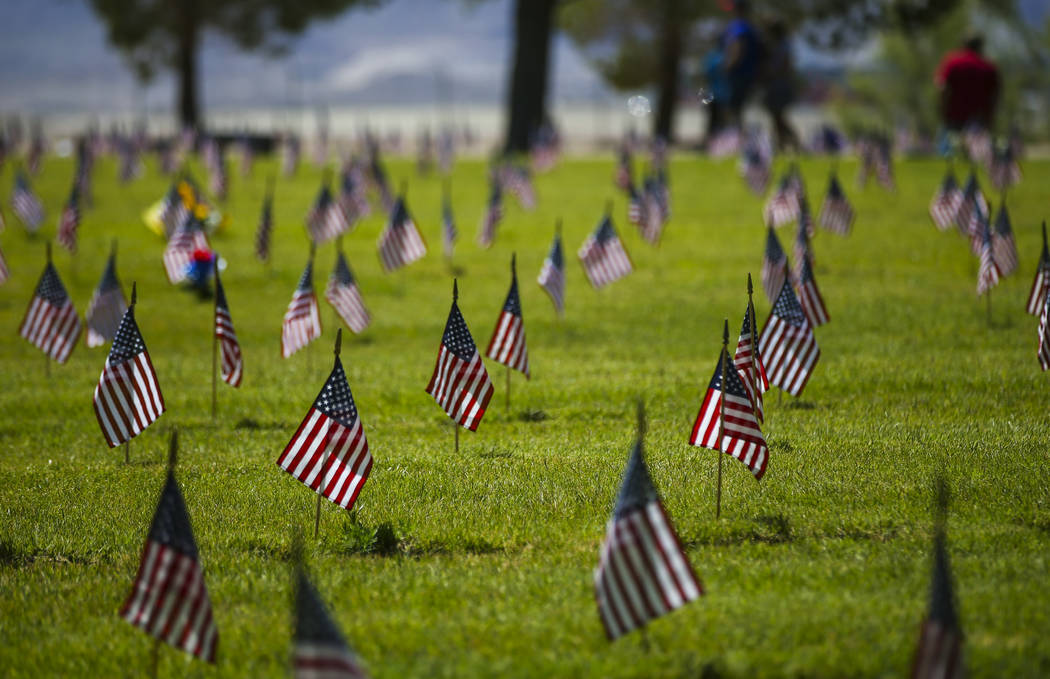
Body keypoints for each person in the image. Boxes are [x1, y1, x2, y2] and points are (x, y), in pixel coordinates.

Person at [935, 34, 1000, 132]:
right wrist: (990, 118)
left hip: (954, 116)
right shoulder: (988, 67)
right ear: (980, 46)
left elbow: (942, 86)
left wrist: (941, 108)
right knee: (978, 146)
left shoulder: (953, 62)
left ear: (963, 44)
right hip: (979, 118)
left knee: (950, 145)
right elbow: (995, 95)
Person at [720, 0, 763, 128]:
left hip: (739, 72)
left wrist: (729, 64)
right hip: (748, 72)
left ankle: (735, 135)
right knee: (738, 107)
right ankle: (736, 134)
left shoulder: (739, 26)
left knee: (733, 107)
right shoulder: (750, 27)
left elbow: (738, 45)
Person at [761, 18, 800, 153]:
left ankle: (793, 142)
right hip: (777, 85)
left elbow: (784, 66)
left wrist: (770, 72)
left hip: (780, 85)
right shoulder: (781, 45)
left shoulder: (782, 46)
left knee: (778, 116)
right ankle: (781, 145)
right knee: (776, 117)